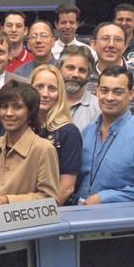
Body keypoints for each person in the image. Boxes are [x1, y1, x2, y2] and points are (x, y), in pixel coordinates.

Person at [75, 66, 134, 204]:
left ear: (131, 94)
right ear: (97, 91)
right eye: (104, 91)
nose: (109, 97)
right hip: (80, 216)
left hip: (119, 222)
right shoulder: (87, 131)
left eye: (118, 92)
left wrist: (104, 198)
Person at [0, 82, 61, 206]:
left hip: (27, 225)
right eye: (4, 106)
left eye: (17, 107)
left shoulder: (44, 149)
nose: (8, 113)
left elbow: (50, 200)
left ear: (30, 111)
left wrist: (8, 201)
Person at [30, 64, 82, 205]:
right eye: (39, 87)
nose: (45, 94)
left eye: (52, 88)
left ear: (60, 94)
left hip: (50, 214)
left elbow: (66, 188)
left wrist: (40, 214)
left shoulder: (69, 133)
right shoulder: (21, 128)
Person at [59, 44, 100, 130]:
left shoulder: (98, 108)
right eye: (70, 68)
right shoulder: (47, 102)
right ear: (59, 69)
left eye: (82, 70)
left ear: (88, 75)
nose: (75, 74)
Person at [1, 10, 35, 76]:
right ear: (2, 29)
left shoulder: (34, 61)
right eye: (9, 25)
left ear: (26, 31)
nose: (13, 30)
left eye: (19, 26)